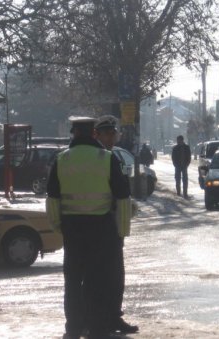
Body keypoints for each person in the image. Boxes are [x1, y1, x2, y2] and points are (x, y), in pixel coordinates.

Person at [46, 116, 132, 339]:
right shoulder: (106, 158)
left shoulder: (61, 159)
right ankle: (98, 328)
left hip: (72, 230)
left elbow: (52, 197)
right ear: (94, 134)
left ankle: (73, 327)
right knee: (99, 280)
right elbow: (123, 197)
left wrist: (58, 225)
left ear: (73, 133)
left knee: (73, 281)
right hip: (101, 230)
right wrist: (121, 231)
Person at [93, 115, 139, 335]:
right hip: (103, 224)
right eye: (107, 133)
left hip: (103, 225)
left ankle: (111, 317)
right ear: (97, 135)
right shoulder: (101, 158)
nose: (111, 137)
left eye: (113, 133)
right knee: (106, 276)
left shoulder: (111, 156)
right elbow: (120, 192)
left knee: (113, 276)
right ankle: (103, 319)